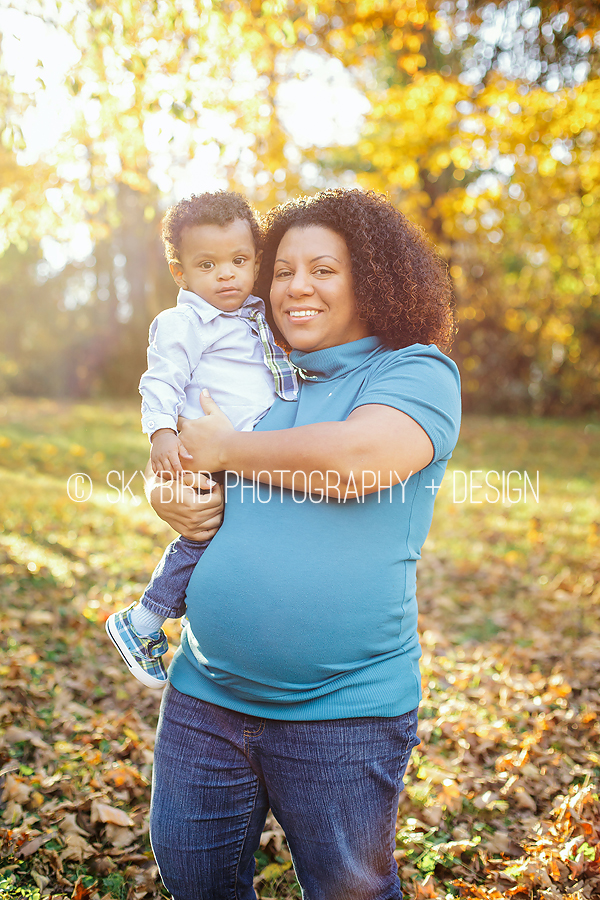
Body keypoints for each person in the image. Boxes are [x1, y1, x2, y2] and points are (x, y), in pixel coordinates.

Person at [147, 188, 461, 900]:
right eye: (282, 270)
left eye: (324, 269)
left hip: (342, 711)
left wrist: (230, 446)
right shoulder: (258, 372)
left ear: (371, 279)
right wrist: (166, 489)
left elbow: (356, 462)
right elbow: (186, 454)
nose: (296, 287)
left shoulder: (413, 371)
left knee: (349, 891)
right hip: (206, 693)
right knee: (194, 878)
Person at [106, 191, 297, 689]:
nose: (226, 274)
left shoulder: (258, 315)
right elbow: (161, 381)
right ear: (180, 273)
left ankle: (186, 617)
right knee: (205, 533)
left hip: (245, 450)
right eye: (207, 264)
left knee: (225, 540)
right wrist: (162, 432)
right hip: (208, 452)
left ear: (256, 261)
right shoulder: (182, 323)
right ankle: (144, 620)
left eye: (238, 261)